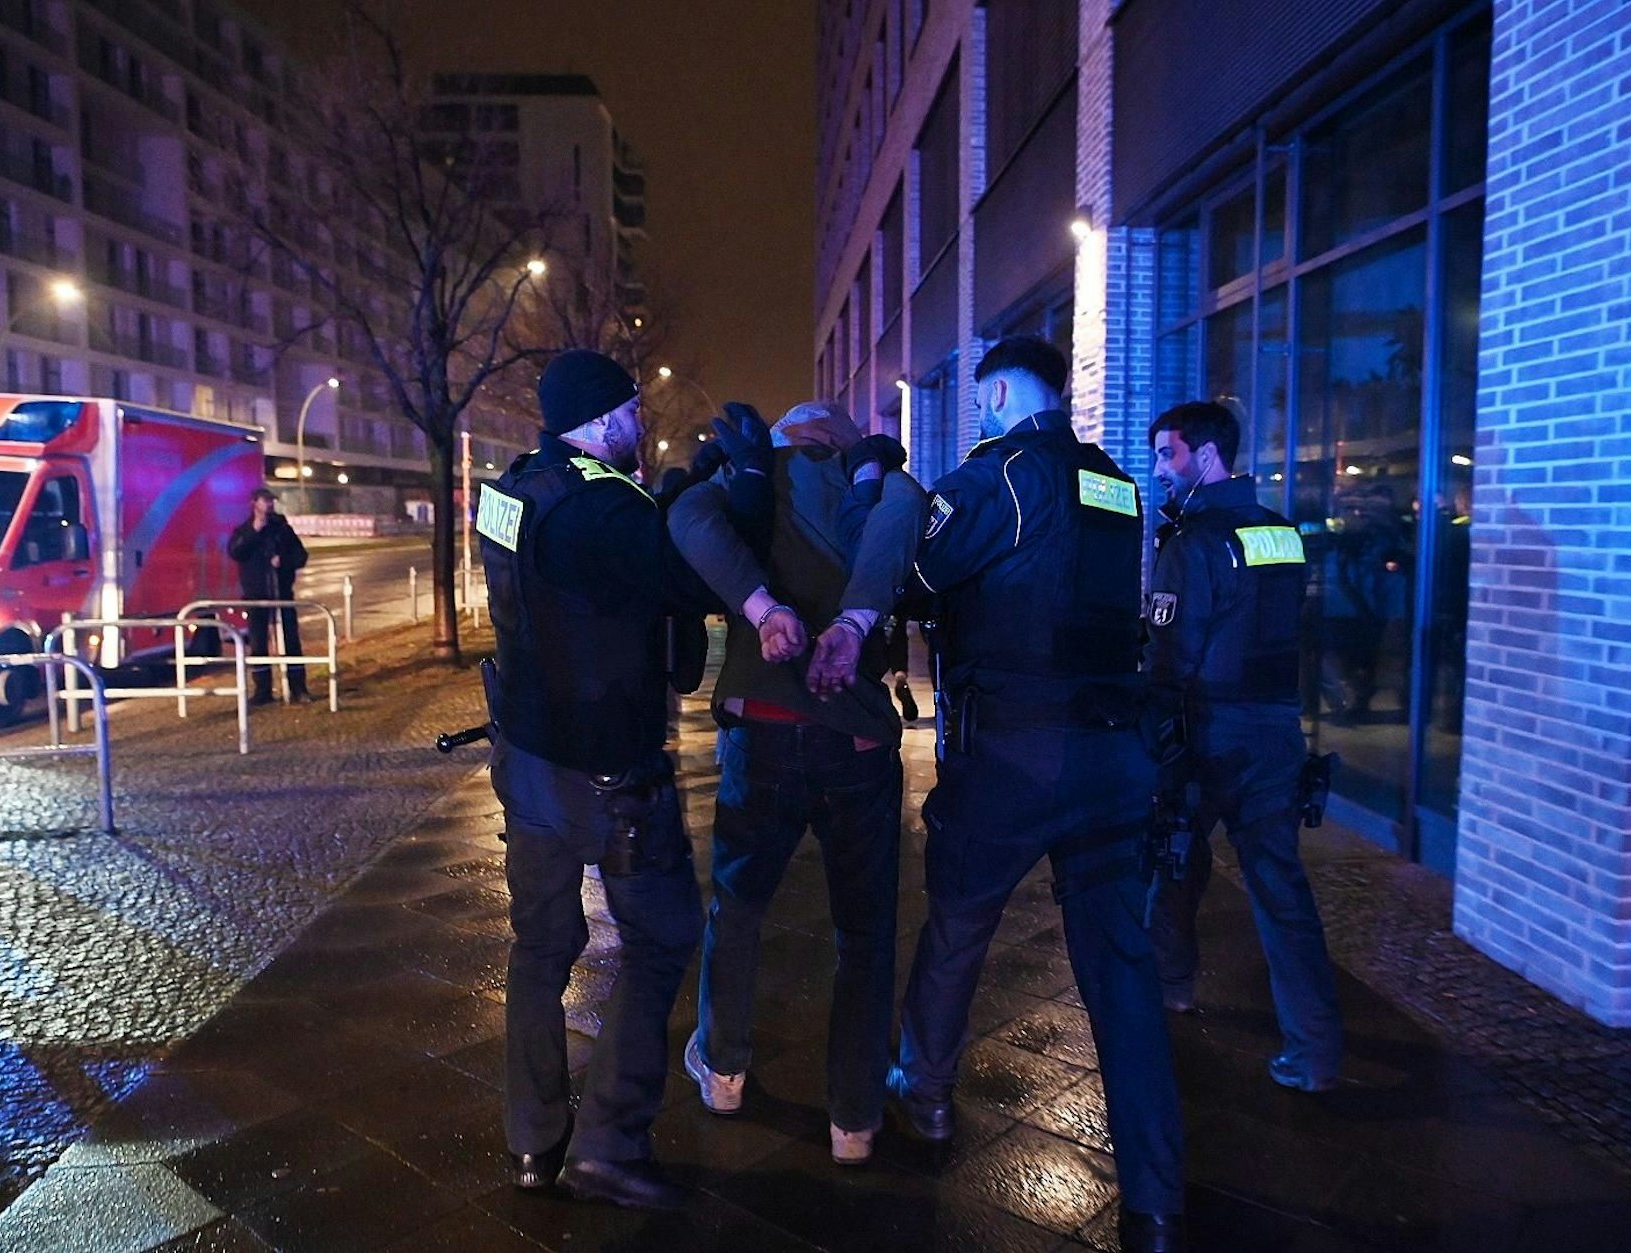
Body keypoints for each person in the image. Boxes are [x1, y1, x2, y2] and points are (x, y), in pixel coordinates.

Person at [878, 336, 1186, 1253]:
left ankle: (924, 1095)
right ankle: (1158, 1199)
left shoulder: (999, 475)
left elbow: (920, 573)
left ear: (1003, 391)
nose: (977, 412)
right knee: (1122, 973)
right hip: (1112, 755)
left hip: (1014, 754)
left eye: (981, 398)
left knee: (958, 926)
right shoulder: (1115, 485)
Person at [476, 348, 731, 1211]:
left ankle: (531, 1143)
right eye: (631, 411)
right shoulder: (603, 502)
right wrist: (710, 490)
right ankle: (610, 1144)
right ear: (603, 418)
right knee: (663, 934)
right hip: (608, 773)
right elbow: (690, 578)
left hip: (528, 761)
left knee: (540, 949)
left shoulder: (510, 492)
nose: (639, 425)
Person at [667, 400, 924, 1168]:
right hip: (856, 737)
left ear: (781, 441)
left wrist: (763, 605)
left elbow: (686, 517)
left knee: (738, 907)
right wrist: (851, 625)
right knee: (865, 930)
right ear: (842, 442)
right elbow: (908, 518)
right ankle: (854, 1118)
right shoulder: (875, 482)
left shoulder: (752, 481)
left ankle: (724, 1071)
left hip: (764, 720)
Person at [1144, 400, 1344, 1093]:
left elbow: (1168, 657)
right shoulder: (1283, 534)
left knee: (1170, 863)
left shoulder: (1191, 542)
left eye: (1167, 454)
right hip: (1274, 734)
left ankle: (1168, 988)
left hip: (1205, 733)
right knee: (1282, 891)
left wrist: (1155, 743)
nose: (1160, 470)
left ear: (1203, 455)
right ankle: (1314, 1052)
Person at [226, 488, 310, 704]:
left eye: (272, 500)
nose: (270, 504)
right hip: (256, 596)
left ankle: (298, 687)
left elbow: (301, 556)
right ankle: (262, 691)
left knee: (291, 642)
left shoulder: (281, 528)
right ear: (254, 503)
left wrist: (283, 562)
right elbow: (236, 552)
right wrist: (255, 531)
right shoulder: (244, 530)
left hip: (281, 593)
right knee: (259, 644)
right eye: (266, 501)